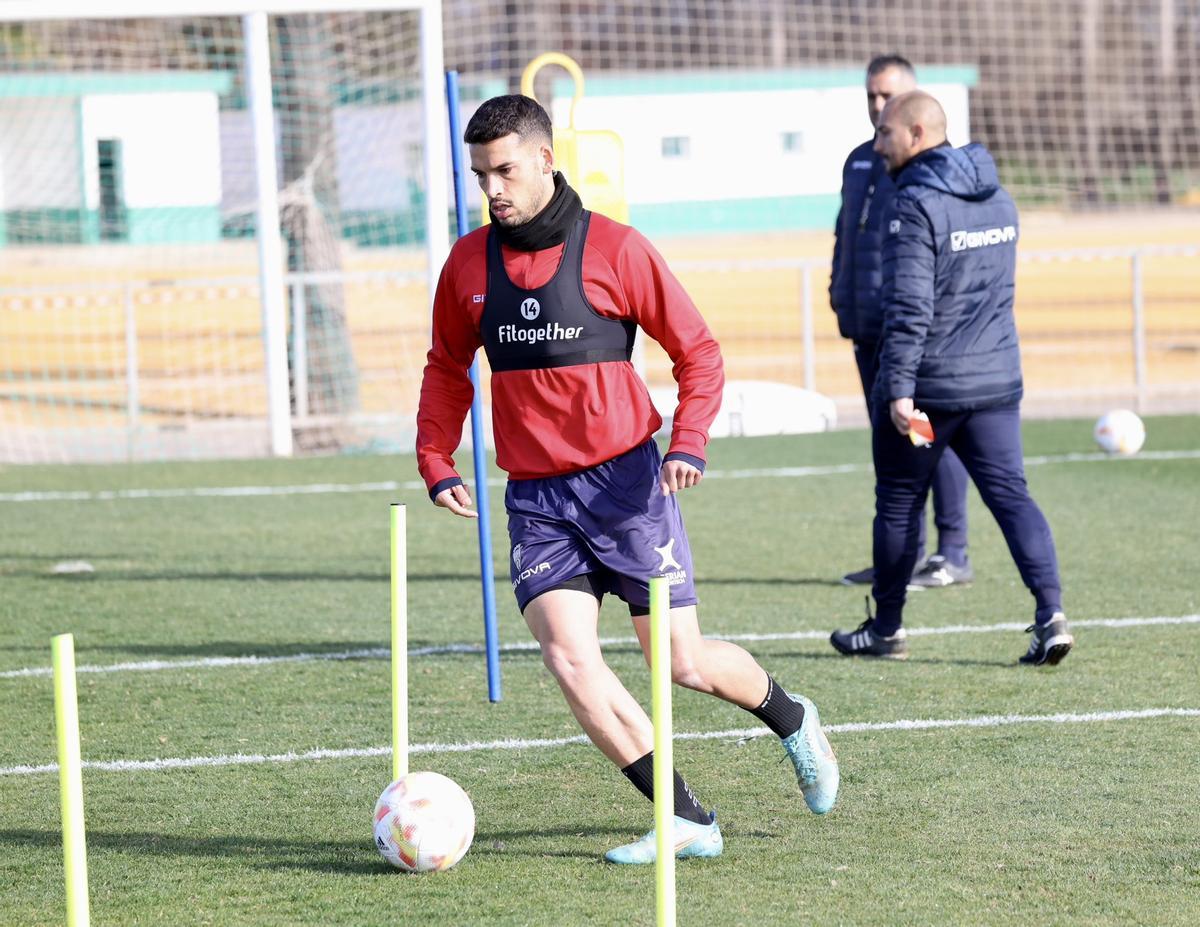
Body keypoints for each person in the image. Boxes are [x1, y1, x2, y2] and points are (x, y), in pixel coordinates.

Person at [416, 94, 839, 863]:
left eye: (505, 169)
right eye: (481, 175)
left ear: (545, 158)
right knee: (568, 657)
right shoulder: (466, 264)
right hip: (537, 500)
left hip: (628, 489)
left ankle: (791, 714)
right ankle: (686, 818)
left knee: (681, 663)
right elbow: (448, 366)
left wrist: (690, 441)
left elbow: (699, 352)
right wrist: (436, 457)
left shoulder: (617, 249)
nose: (493, 189)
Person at [829, 91, 1074, 665]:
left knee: (896, 503)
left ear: (917, 133)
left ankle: (886, 630)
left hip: (932, 389)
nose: (878, 142)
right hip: (995, 380)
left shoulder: (914, 202)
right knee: (1013, 497)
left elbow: (910, 306)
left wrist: (899, 389)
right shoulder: (999, 197)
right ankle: (1052, 613)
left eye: (886, 132)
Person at [830, 55, 974, 590]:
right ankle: (899, 556)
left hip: (909, 335)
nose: (877, 105)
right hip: (866, 329)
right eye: (871, 95)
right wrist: (839, 292)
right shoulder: (858, 161)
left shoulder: (928, 167)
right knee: (892, 446)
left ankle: (953, 551)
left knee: (926, 438)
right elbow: (848, 233)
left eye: (887, 95)